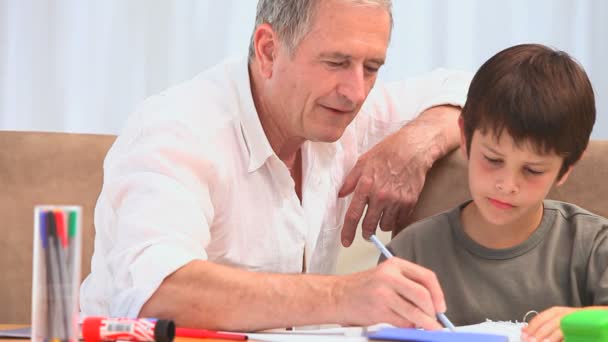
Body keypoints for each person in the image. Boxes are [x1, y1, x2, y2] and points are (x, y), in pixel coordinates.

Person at [81, 0, 471, 331]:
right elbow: (158, 291)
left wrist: (420, 140)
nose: (356, 92)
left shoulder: (346, 112)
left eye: (372, 68)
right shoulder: (177, 127)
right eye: (336, 62)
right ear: (268, 50)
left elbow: (478, 90)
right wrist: (345, 295)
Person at [385, 43, 608, 342]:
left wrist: (589, 322)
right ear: (465, 137)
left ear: (566, 168)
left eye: (532, 170)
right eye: (492, 160)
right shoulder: (411, 252)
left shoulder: (594, 246)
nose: (507, 184)